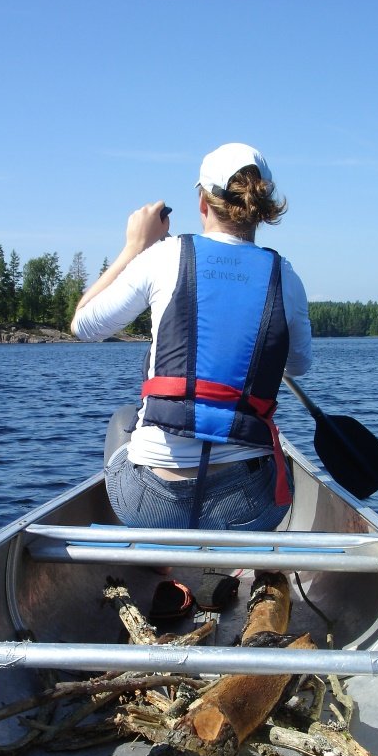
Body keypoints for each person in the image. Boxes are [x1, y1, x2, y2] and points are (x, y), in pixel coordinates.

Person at [71, 142, 312, 531]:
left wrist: (135, 247)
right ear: (261, 208)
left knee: (123, 418)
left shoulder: (163, 256)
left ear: (203, 203)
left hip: (148, 503)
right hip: (248, 508)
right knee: (277, 459)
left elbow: (82, 324)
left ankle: (153, 552)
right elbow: (299, 365)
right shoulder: (286, 277)